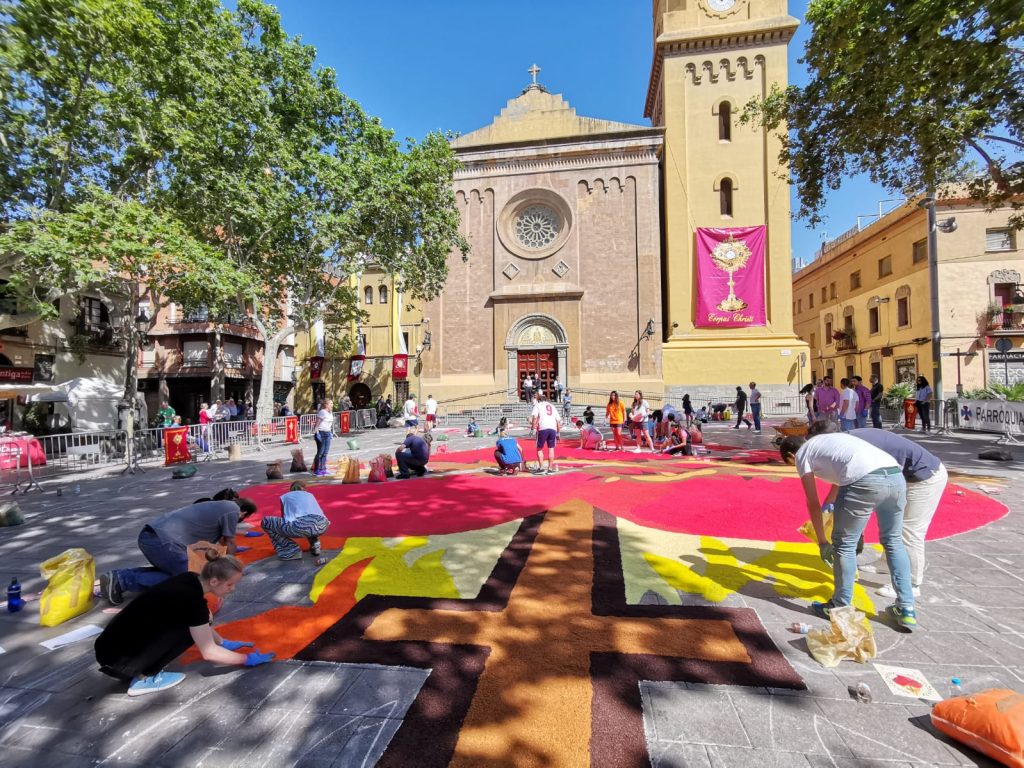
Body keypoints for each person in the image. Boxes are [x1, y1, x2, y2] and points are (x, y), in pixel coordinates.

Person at [779, 433, 917, 631]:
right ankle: (906, 608)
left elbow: (812, 501)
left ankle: (840, 605)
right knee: (893, 541)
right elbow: (843, 469)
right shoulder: (828, 442)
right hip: (895, 477)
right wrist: (832, 502)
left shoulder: (802, 454)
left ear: (792, 454)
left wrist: (822, 541)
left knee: (845, 544)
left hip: (863, 481)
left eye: (790, 463)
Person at [95, 551, 273, 696]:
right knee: (193, 627)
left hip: (108, 648)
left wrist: (224, 643)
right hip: (119, 661)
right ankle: (144, 678)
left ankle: (140, 667)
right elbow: (209, 652)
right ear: (214, 581)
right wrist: (247, 659)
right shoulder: (192, 602)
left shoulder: (190, 579)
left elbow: (203, 620)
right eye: (230, 585)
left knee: (200, 620)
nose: (232, 589)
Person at [809, 420, 948, 599]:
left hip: (924, 478)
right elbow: (846, 473)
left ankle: (912, 583)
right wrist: (830, 499)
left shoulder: (856, 444)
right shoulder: (847, 442)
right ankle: (885, 563)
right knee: (892, 528)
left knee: (909, 531)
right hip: (903, 476)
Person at [98, 495, 258, 605]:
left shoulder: (219, 507)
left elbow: (207, 549)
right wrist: (228, 570)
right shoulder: (232, 509)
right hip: (162, 540)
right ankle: (123, 580)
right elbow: (229, 541)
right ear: (243, 513)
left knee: (179, 572)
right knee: (189, 581)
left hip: (155, 536)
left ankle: (120, 577)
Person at [260, 481, 329, 561]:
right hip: (323, 524)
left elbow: (285, 518)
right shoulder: (310, 495)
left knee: (266, 522)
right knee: (310, 521)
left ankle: (291, 550)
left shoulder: (285, 497)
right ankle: (315, 544)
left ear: (290, 489)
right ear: (304, 488)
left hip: (302, 525)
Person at [530, 391, 562, 474]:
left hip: (543, 428)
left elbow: (534, 417)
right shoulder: (552, 406)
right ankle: (550, 468)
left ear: (539, 400)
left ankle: (541, 468)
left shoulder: (537, 405)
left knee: (539, 448)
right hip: (553, 428)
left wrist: (533, 428)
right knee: (551, 448)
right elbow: (558, 420)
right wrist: (558, 433)